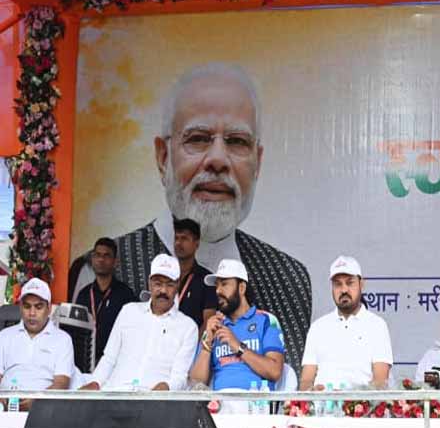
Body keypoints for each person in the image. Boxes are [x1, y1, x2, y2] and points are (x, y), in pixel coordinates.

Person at [69, 63, 311, 370]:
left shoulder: (290, 279)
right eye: (198, 138)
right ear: (163, 157)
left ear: (257, 162)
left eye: (237, 141)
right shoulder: (101, 268)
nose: (218, 160)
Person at [80, 254, 198, 391]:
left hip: (153, 398)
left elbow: (180, 377)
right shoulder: (129, 311)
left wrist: (166, 387)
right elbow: (109, 358)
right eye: (158, 284)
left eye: (170, 285)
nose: (163, 291)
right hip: (116, 392)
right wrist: (95, 382)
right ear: (149, 283)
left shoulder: (187, 327)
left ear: (178, 285)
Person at [189, 259, 285, 390]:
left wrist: (238, 347)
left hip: (255, 400)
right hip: (220, 401)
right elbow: (195, 384)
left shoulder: (267, 320)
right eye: (217, 285)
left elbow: (275, 372)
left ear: (241, 288)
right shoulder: (215, 325)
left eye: (224, 284)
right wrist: (207, 344)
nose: (218, 291)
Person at [299, 256, 393, 391]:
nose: (344, 290)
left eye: (350, 283)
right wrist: (311, 392)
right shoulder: (318, 327)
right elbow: (306, 380)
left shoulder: (377, 325)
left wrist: (352, 399)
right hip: (321, 403)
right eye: (338, 284)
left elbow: (380, 382)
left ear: (361, 284)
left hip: (361, 403)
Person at [0, 279, 74, 411]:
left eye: (38, 307)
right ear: (20, 307)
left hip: (45, 409)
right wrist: (2, 399)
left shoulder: (62, 340)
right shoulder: (4, 336)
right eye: (27, 306)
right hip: (5, 408)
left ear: (49, 308)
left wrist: (37, 402)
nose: (32, 313)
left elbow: (61, 383)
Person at [73, 238, 137, 364]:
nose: (101, 259)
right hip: (85, 361)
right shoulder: (84, 294)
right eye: (97, 255)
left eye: (106, 255)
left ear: (115, 262)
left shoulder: (125, 294)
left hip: (115, 362)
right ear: (92, 259)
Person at [173, 218, 216, 332]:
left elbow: (209, 321)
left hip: (193, 341)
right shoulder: (166, 276)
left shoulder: (206, 280)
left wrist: (195, 342)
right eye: (176, 238)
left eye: (184, 238)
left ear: (196, 243)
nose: (178, 243)